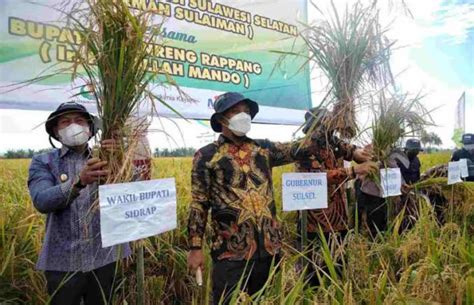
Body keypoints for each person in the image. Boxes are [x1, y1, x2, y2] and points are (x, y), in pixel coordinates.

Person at [187, 92, 329, 304]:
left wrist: (326, 123)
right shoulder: (207, 156)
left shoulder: (263, 150)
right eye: (235, 111)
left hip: (269, 250)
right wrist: (195, 247)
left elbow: (301, 148)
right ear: (220, 119)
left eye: (246, 111)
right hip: (230, 254)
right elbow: (199, 203)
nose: (242, 115)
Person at [28, 101, 130, 305]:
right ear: (56, 132)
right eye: (65, 122)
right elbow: (42, 200)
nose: (73, 126)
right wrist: (79, 182)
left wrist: (121, 159)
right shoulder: (43, 161)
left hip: (104, 258)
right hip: (62, 262)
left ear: (90, 129)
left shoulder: (107, 158)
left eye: (79, 120)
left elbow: (134, 191)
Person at [295, 107, 378, 286]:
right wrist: (352, 171)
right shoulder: (305, 146)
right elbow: (315, 178)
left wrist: (363, 153)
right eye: (326, 123)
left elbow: (354, 152)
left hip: (338, 216)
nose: (331, 128)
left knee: (338, 263)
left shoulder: (333, 143)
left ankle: (339, 292)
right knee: (315, 268)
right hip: (315, 218)